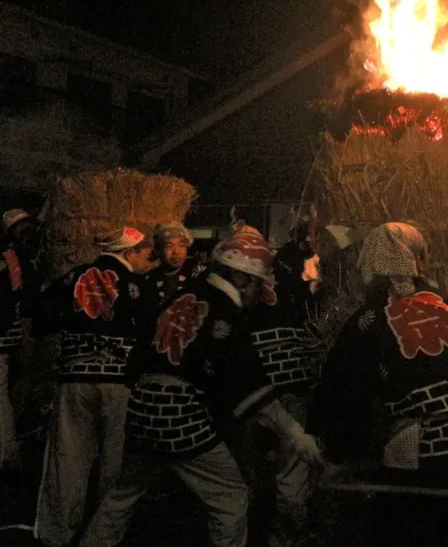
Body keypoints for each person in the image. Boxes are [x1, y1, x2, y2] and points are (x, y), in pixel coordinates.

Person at [77, 228, 321, 547]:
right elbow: (244, 380)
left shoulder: (180, 296)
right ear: (242, 277)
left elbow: (140, 356)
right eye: (257, 281)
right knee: (230, 496)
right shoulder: (225, 311)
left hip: (140, 410)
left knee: (120, 497)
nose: (258, 291)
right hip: (181, 414)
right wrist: (295, 434)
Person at [309, 222, 448, 547]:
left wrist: (344, 453)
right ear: (418, 262)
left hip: (422, 459)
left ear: (371, 265)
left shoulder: (368, 322)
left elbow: (345, 394)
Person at [33, 227, 156, 547]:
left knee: (68, 458)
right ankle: (104, 535)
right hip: (119, 384)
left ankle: (56, 533)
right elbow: (149, 335)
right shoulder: (137, 286)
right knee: (116, 462)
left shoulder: (72, 277)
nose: (148, 258)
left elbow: (41, 316)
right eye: (144, 252)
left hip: (74, 379)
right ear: (128, 252)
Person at [244, 217, 323, 547]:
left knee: (271, 471)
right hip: (267, 390)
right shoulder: (296, 273)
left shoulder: (252, 290)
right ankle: (275, 534)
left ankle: (272, 533)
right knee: (279, 471)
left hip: (269, 389)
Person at [0, 208, 41, 473]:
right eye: (19, 228)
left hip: (17, 328)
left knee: (22, 382)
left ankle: (11, 444)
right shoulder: (13, 256)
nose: (25, 232)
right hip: (11, 328)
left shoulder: (26, 255)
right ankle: (9, 447)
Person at [145, 221, 206, 309]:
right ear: (158, 250)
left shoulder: (200, 274)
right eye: (169, 246)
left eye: (182, 245)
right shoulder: (148, 280)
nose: (176, 252)